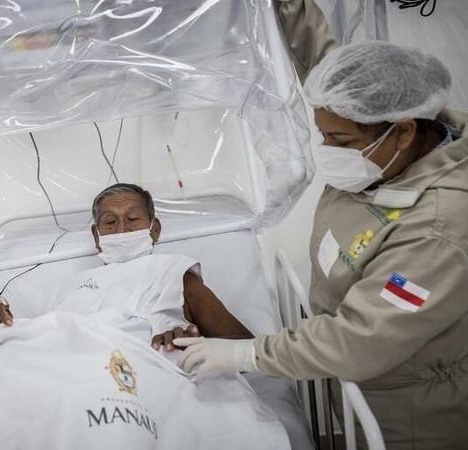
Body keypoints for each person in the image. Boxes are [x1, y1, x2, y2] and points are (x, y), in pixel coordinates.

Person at [175, 41, 468, 450]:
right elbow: (320, 50)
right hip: (350, 380)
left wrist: (245, 354)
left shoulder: (438, 230)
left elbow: (361, 338)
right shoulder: (379, 155)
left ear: (404, 131)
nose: (328, 152)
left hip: (408, 409)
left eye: (342, 141)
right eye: (321, 135)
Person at [0, 183, 253, 348]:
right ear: (97, 236)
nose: (121, 229)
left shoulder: (175, 272)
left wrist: (194, 345)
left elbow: (244, 348)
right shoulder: (67, 287)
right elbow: (36, 340)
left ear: (154, 230)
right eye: (110, 222)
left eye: (133, 219)